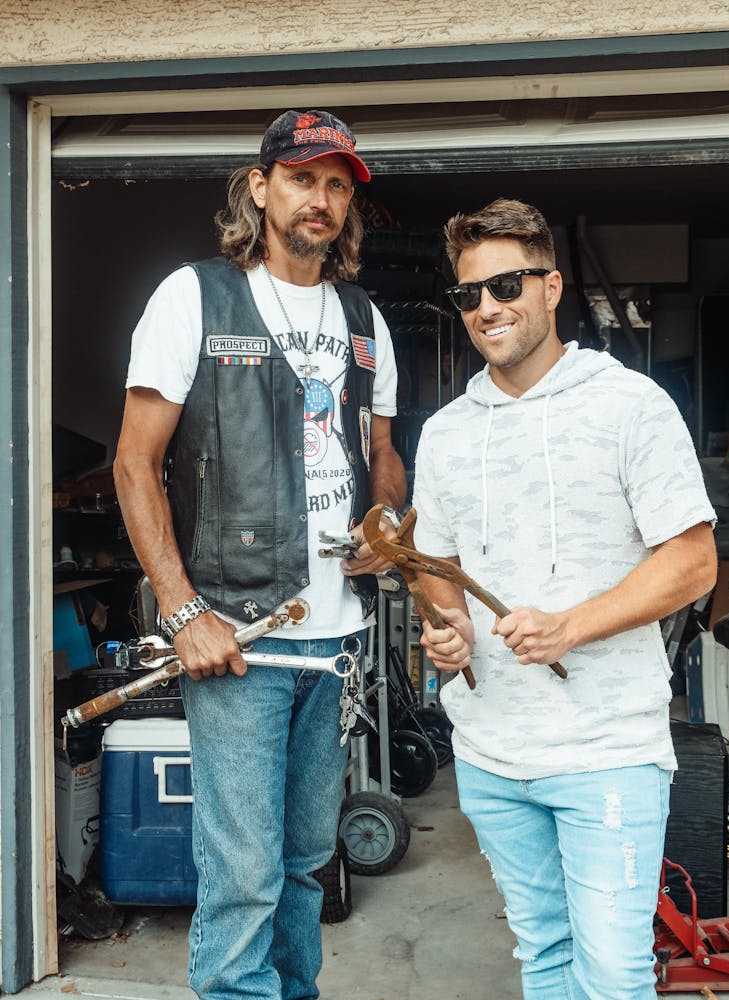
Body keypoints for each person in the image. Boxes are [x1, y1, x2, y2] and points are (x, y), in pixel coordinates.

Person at [113, 109, 406, 1000]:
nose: (321, 199)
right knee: (243, 876)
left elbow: (384, 457)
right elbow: (135, 463)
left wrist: (385, 525)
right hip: (240, 636)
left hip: (335, 639)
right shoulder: (195, 296)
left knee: (307, 863)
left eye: (337, 185)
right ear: (260, 186)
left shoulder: (364, 319)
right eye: (303, 178)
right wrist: (183, 609)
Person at [411, 197, 717, 999]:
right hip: (489, 754)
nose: (487, 309)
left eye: (506, 286)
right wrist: (445, 630)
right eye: (468, 295)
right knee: (543, 956)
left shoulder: (630, 407)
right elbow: (434, 564)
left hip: (605, 751)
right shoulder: (444, 433)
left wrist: (571, 626)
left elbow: (692, 563)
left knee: (614, 975)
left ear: (551, 288)